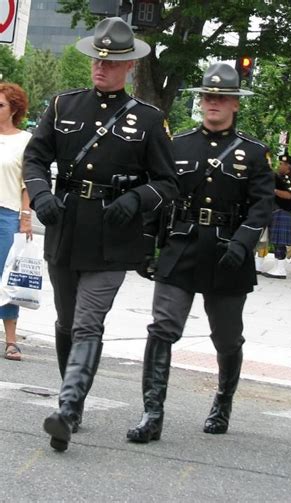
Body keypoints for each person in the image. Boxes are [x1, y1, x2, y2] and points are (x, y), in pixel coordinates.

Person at [22, 17, 178, 451]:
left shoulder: (148, 120)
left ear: (129, 67)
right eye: (97, 60)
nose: (101, 68)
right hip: (66, 225)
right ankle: (74, 401)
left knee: (89, 323)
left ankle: (67, 410)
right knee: (67, 321)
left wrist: (137, 199)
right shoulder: (63, 106)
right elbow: (35, 160)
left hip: (114, 234)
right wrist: (40, 195)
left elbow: (168, 183)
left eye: (111, 63)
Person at [127, 62, 274, 443]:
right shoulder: (178, 146)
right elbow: (160, 195)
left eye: (222, 98)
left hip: (228, 250)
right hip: (182, 246)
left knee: (226, 338)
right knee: (162, 328)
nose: (214, 103)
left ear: (235, 105)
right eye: (208, 96)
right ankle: (152, 412)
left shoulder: (254, 154)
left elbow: (262, 206)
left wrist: (243, 242)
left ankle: (223, 401)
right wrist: (147, 243)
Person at [0, 83, 33, 361]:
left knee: (7, 278)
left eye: (0, 105)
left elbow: (27, 183)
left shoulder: (25, 139)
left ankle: (11, 340)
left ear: (14, 109)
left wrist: (25, 217)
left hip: (6, 214)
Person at [259, 153, 291, 279]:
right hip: (275, 209)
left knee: (279, 241)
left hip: (283, 210)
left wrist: (273, 190)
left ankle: (280, 269)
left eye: (282, 164)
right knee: (273, 240)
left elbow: (289, 195)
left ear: (288, 166)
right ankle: (275, 266)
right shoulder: (279, 177)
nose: (279, 166)